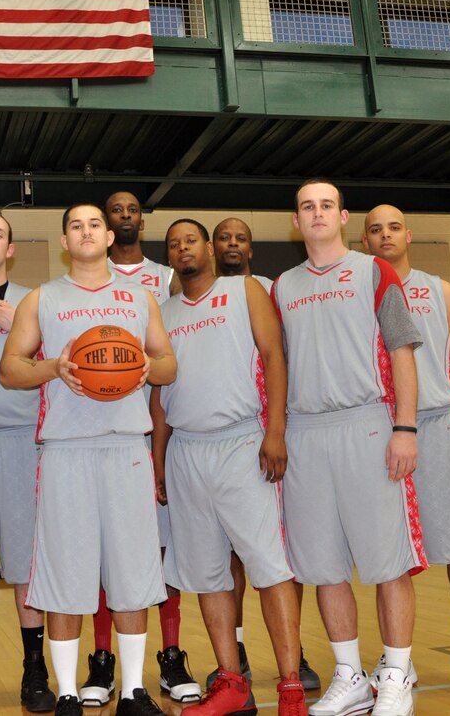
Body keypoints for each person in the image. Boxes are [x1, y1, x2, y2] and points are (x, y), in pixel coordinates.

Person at [0, 202, 177, 716]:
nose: (85, 231)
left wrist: (145, 364)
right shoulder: (43, 298)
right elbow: (11, 370)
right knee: (64, 576)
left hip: (126, 447)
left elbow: (169, 364)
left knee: (132, 574)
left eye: (93, 224)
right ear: (64, 240)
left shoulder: (141, 297)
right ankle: (70, 695)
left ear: (106, 236)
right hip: (66, 452)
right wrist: (54, 367)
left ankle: (134, 691)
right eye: (75, 225)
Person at [271, 180, 425, 716]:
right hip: (305, 434)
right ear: (296, 221)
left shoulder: (373, 272)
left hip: (367, 425)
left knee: (387, 563)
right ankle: (350, 676)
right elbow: (277, 367)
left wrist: (404, 428)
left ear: (343, 217)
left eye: (326, 206)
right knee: (324, 567)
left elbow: (402, 352)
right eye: (307, 207)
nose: (317, 214)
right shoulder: (283, 287)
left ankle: (398, 675)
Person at [152, 218, 305, 716]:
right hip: (185, 452)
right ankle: (232, 683)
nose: (182, 249)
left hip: (241, 441)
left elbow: (274, 355)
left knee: (268, 567)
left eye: (190, 240)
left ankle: (290, 685)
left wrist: (275, 431)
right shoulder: (163, 312)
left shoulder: (244, 290)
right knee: (209, 574)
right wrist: (158, 461)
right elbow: (158, 398)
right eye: (173, 245)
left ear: (209, 248)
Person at [363, 205, 450, 701]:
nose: (385, 235)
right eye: (375, 229)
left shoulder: (440, 290)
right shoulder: (361, 292)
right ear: (363, 241)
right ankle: (396, 658)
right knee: (389, 549)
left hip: (438, 427)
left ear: (409, 234)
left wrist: (440, 421)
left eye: (394, 227)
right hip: (380, 430)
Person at [94, 191, 199, 706]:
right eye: (117, 210)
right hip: (102, 432)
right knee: (100, 556)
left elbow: (173, 358)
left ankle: (172, 655)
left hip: (154, 431)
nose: (126, 216)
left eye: (134, 209)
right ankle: (102, 659)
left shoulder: (165, 278)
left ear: (140, 220)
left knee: (159, 556)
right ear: (107, 224)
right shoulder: (91, 280)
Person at [210, 217, 320, 693]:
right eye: (224, 238)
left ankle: (295, 655)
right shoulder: (197, 295)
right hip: (221, 441)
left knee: (280, 553)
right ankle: (236, 658)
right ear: (213, 247)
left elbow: (285, 356)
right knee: (229, 560)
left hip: (271, 435)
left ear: (252, 249)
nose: (232, 244)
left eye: (241, 238)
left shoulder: (273, 291)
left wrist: (277, 430)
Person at [0, 211, 57, 712]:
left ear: (11, 247)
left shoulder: (33, 301)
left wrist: (32, 336)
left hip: (24, 439)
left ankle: (33, 670)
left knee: (26, 565)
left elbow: (63, 363)